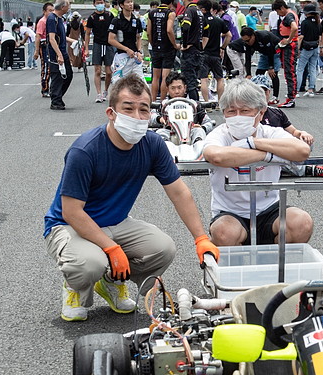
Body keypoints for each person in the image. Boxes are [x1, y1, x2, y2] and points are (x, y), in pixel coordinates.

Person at [43, 75, 219, 320]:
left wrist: (201, 238)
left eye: (143, 109)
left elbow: (179, 192)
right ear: (111, 113)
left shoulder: (152, 144)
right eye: (128, 108)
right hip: (69, 225)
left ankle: (112, 282)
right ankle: (75, 289)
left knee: (163, 248)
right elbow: (71, 211)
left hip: (116, 222)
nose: (137, 116)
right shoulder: (85, 150)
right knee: (89, 264)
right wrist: (111, 248)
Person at [202, 78, 313, 247]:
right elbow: (215, 156)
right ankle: (232, 261)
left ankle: (274, 261)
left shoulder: (270, 133)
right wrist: (267, 155)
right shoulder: (220, 134)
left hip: (269, 208)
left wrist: (253, 143)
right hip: (230, 212)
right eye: (231, 111)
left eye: (245, 110)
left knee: (301, 223)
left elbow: (302, 151)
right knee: (224, 233)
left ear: (261, 113)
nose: (238, 117)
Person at [250, 73, 323, 177]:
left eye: (263, 92)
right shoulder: (248, 114)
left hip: (279, 147)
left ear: (269, 92)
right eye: (257, 92)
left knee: (306, 143)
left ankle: (286, 167)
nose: (260, 95)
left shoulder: (276, 112)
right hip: (262, 150)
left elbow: (293, 131)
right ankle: (306, 169)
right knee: (272, 156)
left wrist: (302, 133)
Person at [149, 71, 215, 142]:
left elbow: (209, 122)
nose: (176, 91)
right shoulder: (163, 105)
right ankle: (165, 148)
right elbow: (150, 118)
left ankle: (198, 146)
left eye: (179, 88)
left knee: (199, 131)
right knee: (160, 133)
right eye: (173, 88)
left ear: (185, 88)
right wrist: (159, 119)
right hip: (169, 134)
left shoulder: (194, 105)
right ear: (167, 89)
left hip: (190, 135)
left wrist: (203, 127)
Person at [148, 0, 177, 101]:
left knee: (155, 77)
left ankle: (153, 101)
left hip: (156, 47)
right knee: (165, 77)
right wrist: (174, 44)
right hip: (168, 48)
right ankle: (162, 102)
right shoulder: (170, 13)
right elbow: (169, 30)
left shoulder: (152, 13)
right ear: (171, 2)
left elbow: (149, 32)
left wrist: (152, 43)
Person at [199, 0, 229, 100]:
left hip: (203, 54)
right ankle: (220, 102)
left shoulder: (200, 21)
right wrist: (222, 47)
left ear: (203, 9)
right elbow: (229, 35)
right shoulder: (219, 21)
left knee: (204, 79)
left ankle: (206, 102)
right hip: (216, 53)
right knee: (219, 79)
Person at [46, 0, 73, 111]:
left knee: (68, 75)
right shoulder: (52, 19)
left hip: (63, 51)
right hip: (56, 53)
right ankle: (55, 100)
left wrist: (73, 41)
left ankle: (58, 96)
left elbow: (61, 36)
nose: (69, 8)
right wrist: (59, 54)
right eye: (68, 5)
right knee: (57, 77)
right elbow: (52, 39)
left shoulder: (60, 19)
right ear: (62, 7)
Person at [108, 0, 142, 82]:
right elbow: (111, 40)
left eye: (131, 2)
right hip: (122, 56)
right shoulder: (116, 21)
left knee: (141, 83)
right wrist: (126, 49)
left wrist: (139, 51)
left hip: (134, 56)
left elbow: (138, 37)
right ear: (121, 5)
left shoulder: (136, 20)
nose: (130, 4)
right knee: (119, 83)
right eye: (128, 2)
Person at [272, 0, 298, 108]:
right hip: (290, 44)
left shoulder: (288, 16)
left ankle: (291, 98)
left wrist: (288, 40)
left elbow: (294, 27)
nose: (278, 14)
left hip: (290, 46)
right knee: (289, 71)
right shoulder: (291, 14)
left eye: (278, 11)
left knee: (289, 71)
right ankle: (291, 96)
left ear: (282, 8)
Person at [86, 0, 114, 102]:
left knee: (109, 72)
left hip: (108, 45)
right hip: (97, 44)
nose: (100, 5)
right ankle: (98, 93)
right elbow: (87, 33)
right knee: (97, 70)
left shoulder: (109, 15)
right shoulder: (92, 18)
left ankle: (105, 91)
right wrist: (86, 48)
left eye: (101, 2)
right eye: (98, 3)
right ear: (94, 4)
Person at [295, 3, 320, 97]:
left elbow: (301, 37)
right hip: (315, 47)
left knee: (300, 69)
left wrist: (298, 48)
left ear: (307, 13)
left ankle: (296, 90)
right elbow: (320, 36)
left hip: (306, 48)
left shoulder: (305, 22)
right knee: (312, 68)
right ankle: (311, 89)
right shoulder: (318, 22)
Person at [36, 3, 52, 96]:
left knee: (51, 68)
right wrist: (36, 51)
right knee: (46, 67)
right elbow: (38, 36)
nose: (51, 12)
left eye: (52, 10)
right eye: (49, 10)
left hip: (50, 45)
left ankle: (50, 88)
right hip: (44, 45)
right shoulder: (42, 22)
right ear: (44, 11)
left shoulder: (51, 21)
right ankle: (45, 89)